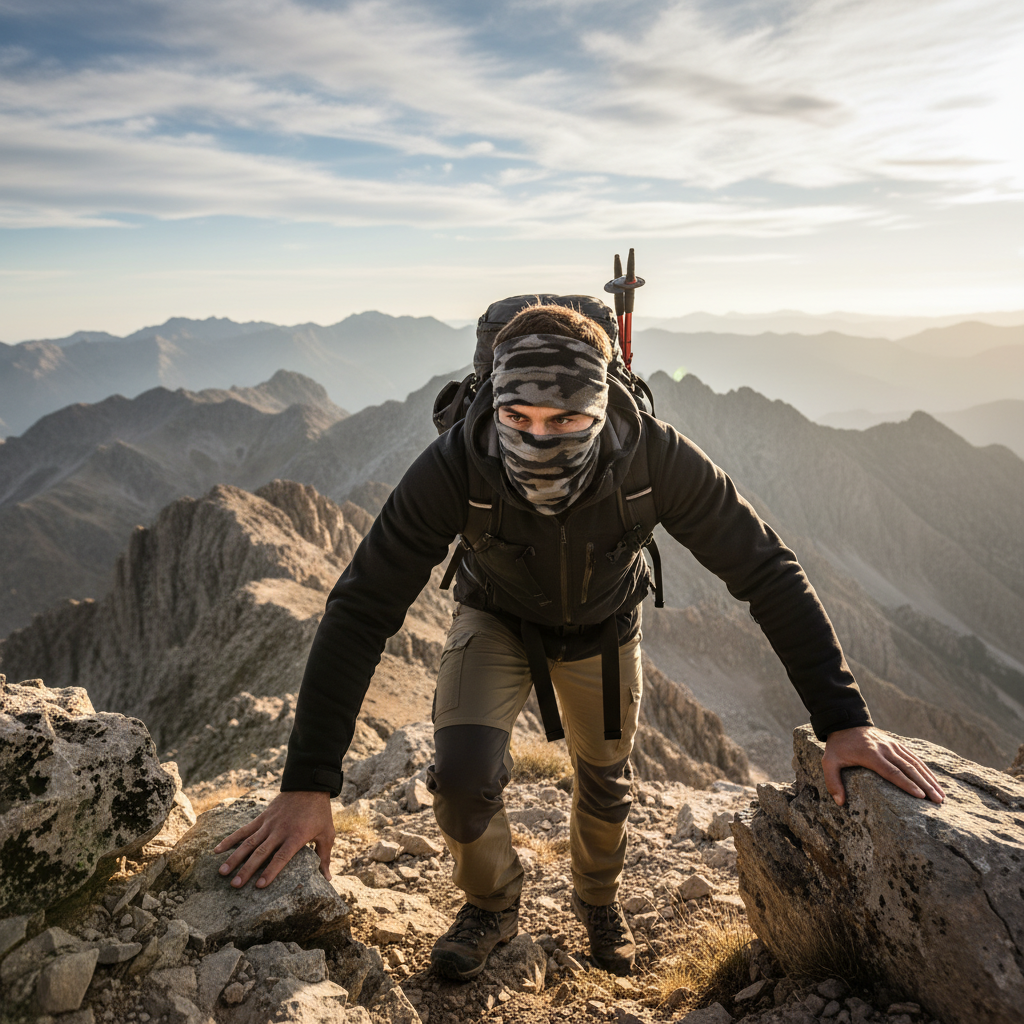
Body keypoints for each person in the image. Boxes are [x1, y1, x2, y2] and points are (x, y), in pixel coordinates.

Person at [215, 302, 945, 980]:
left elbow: (766, 571)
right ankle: (493, 905)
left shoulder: (653, 456)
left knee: (604, 782)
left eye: (565, 420)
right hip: (495, 619)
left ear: (602, 407)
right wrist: (309, 784)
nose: (537, 437)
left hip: (603, 628)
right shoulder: (457, 463)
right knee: (463, 780)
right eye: (518, 416)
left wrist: (843, 720)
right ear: (491, 403)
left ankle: (598, 898)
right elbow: (361, 605)